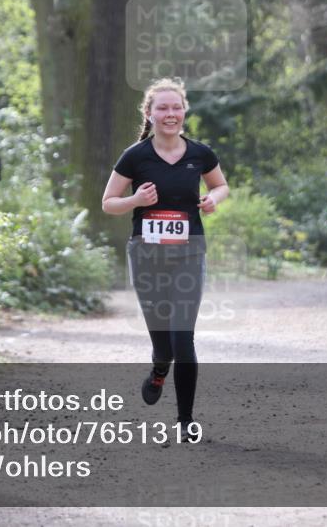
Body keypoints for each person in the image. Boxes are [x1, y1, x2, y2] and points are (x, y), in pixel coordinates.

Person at [101, 78, 228, 442]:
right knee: (164, 342)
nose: (170, 114)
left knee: (183, 337)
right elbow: (108, 203)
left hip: (189, 252)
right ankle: (159, 368)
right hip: (147, 255)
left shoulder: (200, 154)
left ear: (184, 111)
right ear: (149, 113)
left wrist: (213, 199)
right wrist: (135, 201)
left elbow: (220, 184)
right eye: (162, 108)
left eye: (176, 107)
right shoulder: (135, 156)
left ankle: (186, 420)